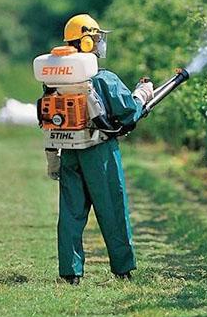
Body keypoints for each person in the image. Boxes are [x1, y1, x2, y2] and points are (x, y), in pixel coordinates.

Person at [45, 14, 153, 285]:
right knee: (112, 209)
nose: (99, 42)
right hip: (100, 153)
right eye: (95, 37)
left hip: (69, 150)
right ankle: (122, 268)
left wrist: (51, 158)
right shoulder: (104, 79)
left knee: (71, 213)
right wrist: (142, 95)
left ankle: (71, 272)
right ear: (85, 41)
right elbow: (128, 114)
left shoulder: (54, 80)